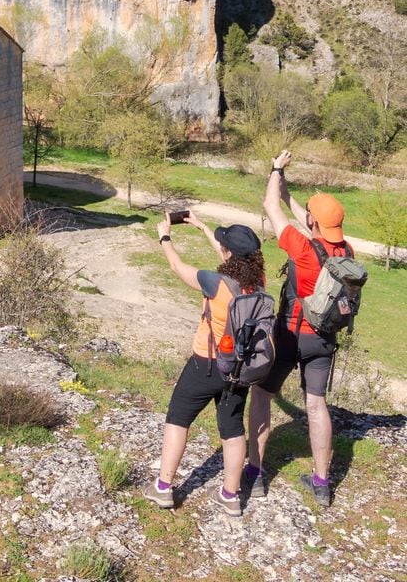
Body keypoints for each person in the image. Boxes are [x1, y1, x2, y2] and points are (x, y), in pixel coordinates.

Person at [245, 149, 353, 507]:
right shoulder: (346, 252)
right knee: (316, 405)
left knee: (262, 395)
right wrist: (288, 192)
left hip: (290, 335)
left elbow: (269, 205)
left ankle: (255, 474)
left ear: (311, 221)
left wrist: (275, 169)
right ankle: (321, 483)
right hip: (324, 339)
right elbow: (311, 226)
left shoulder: (303, 249)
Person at [145, 211, 266, 517]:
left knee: (178, 419)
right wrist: (201, 227)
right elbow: (229, 256)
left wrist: (165, 236)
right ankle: (230, 496)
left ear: (228, 254)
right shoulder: (258, 284)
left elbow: (176, 266)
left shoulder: (214, 282)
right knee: (232, 429)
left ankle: (163, 488)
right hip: (238, 370)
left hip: (206, 364)